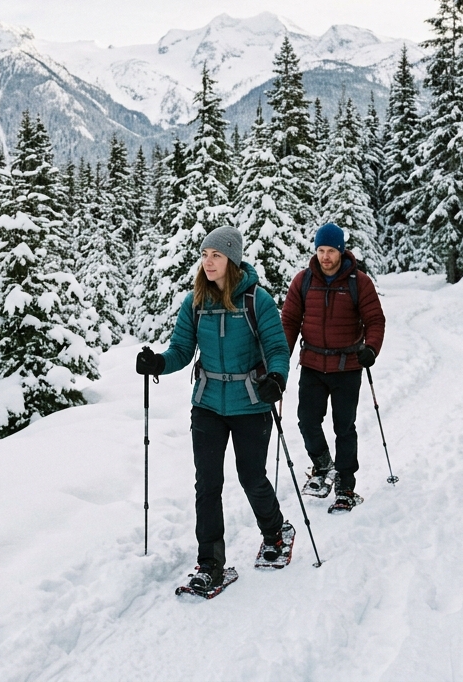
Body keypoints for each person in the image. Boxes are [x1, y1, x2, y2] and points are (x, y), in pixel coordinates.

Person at [135, 225, 293, 593]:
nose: (208, 262)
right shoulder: (195, 302)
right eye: (205, 255)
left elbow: (277, 348)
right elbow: (180, 351)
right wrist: (157, 363)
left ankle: (274, 532)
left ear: (232, 260)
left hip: (251, 402)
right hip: (207, 403)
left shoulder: (257, 300)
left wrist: (277, 378)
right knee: (207, 484)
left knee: (251, 476)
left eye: (216, 255)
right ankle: (210, 564)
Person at [281, 222, 386, 513]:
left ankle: (345, 484)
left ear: (341, 251)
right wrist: (279, 359)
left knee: (344, 427)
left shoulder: (358, 282)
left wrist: (371, 348)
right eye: (321, 250)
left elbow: (376, 320)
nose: (325, 257)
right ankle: (323, 465)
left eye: (331, 251)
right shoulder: (303, 281)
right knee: (307, 421)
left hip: (347, 366)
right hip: (313, 364)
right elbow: (289, 322)